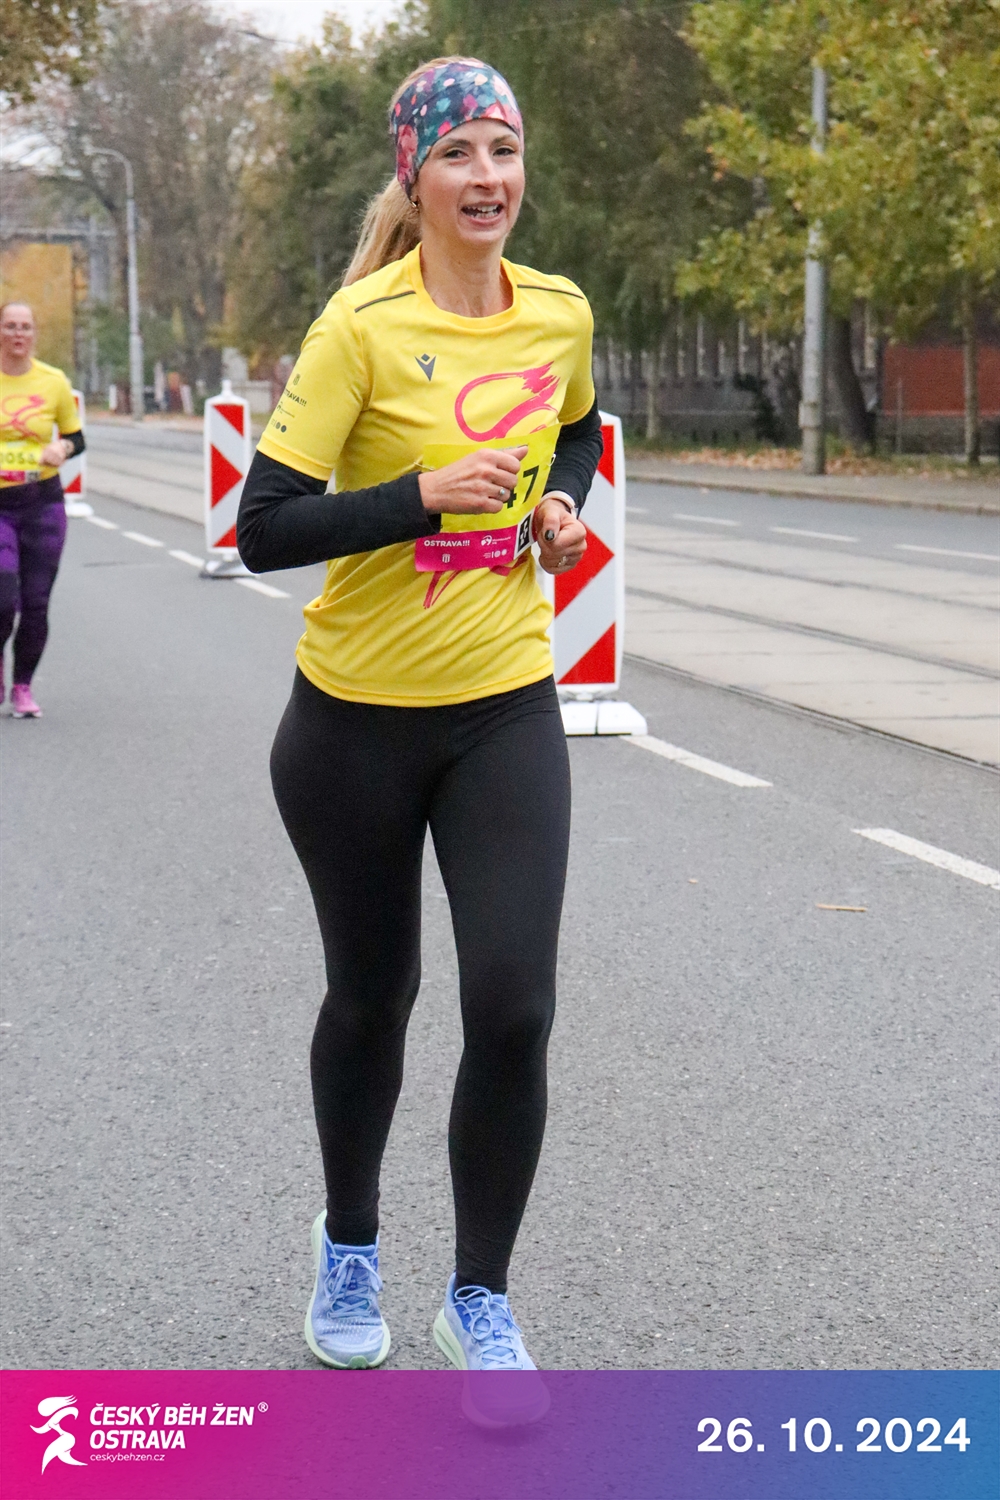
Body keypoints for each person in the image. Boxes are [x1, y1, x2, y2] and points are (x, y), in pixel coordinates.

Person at [238, 57, 603, 1396]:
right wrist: (420, 495)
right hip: (352, 726)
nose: (486, 177)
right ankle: (348, 1246)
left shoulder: (557, 311)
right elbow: (263, 527)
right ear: (416, 175)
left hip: (503, 704)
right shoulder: (362, 327)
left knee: (513, 1007)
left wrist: (560, 506)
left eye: (502, 150)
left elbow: (578, 433)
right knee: (372, 996)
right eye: (458, 154)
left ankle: (478, 1298)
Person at [0, 302, 85, 717]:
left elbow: (77, 438)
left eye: (26, 327)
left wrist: (62, 448)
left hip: (42, 502)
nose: (18, 334)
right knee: (3, 598)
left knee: (36, 602)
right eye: (10, 326)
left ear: (34, 334)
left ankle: (23, 686)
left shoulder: (53, 382)